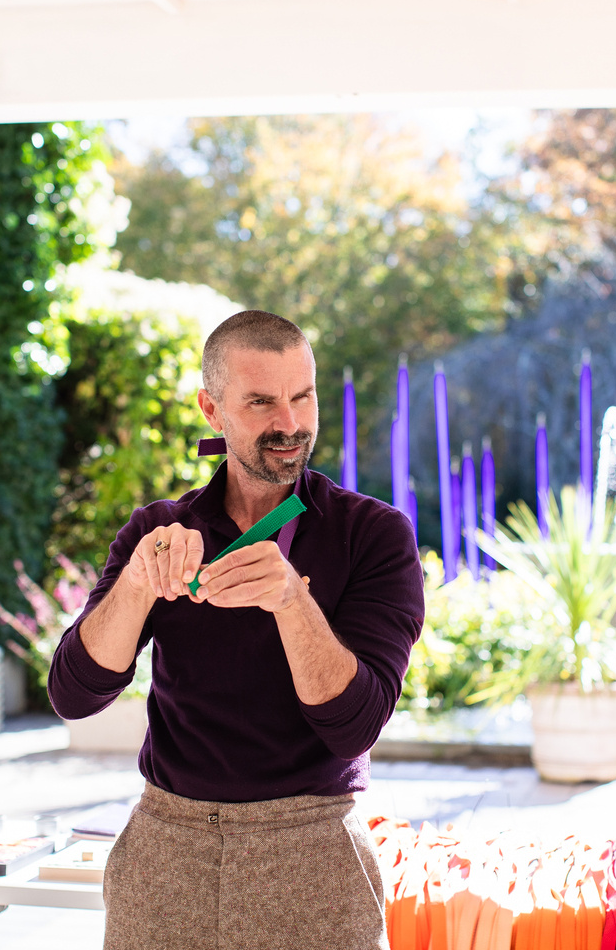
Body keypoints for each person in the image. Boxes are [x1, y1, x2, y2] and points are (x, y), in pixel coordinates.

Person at [48, 310, 425, 950]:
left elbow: (355, 727)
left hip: (313, 857)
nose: (290, 423)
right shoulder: (159, 532)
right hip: (165, 856)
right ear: (212, 410)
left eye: (302, 396)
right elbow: (73, 696)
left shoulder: (373, 535)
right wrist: (136, 585)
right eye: (261, 402)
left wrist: (291, 601)